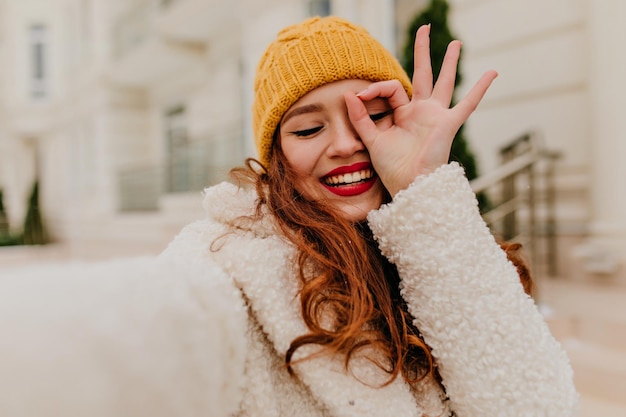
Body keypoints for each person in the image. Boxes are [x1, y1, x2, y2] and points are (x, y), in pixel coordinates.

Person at [0, 15, 577, 417]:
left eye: (371, 116)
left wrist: (426, 192)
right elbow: (153, 329)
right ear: (275, 154)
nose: (348, 144)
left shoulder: (439, 242)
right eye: (308, 127)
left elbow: (536, 404)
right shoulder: (225, 262)